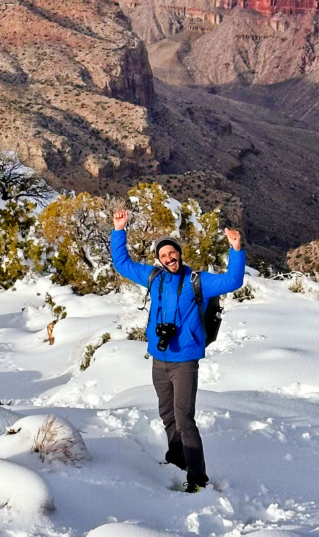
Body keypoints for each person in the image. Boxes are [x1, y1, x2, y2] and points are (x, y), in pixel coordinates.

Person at [110, 208, 245, 493]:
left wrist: (236, 249)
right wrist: (119, 230)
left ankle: (197, 478)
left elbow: (233, 281)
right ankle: (176, 460)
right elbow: (122, 264)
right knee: (167, 414)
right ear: (158, 259)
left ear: (179, 254)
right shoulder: (153, 278)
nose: (169, 258)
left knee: (185, 419)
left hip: (185, 361)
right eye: (163, 255)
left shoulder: (198, 281)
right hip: (160, 359)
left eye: (172, 254)